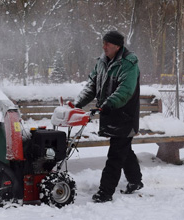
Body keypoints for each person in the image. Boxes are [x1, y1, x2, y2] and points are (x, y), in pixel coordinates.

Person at [73, 30, 143, 203]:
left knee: (116, 154)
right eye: (103, 43)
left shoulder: (128, 64)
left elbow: (125, 90)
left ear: (117, 46)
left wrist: (109, 103)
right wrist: (77, 103)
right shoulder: (102, 62)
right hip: (110, 114)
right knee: (123, 150)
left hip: (125, 115)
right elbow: (92, 86)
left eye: (107, 44)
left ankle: (105, 192)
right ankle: (135, 181)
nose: (104, 46)